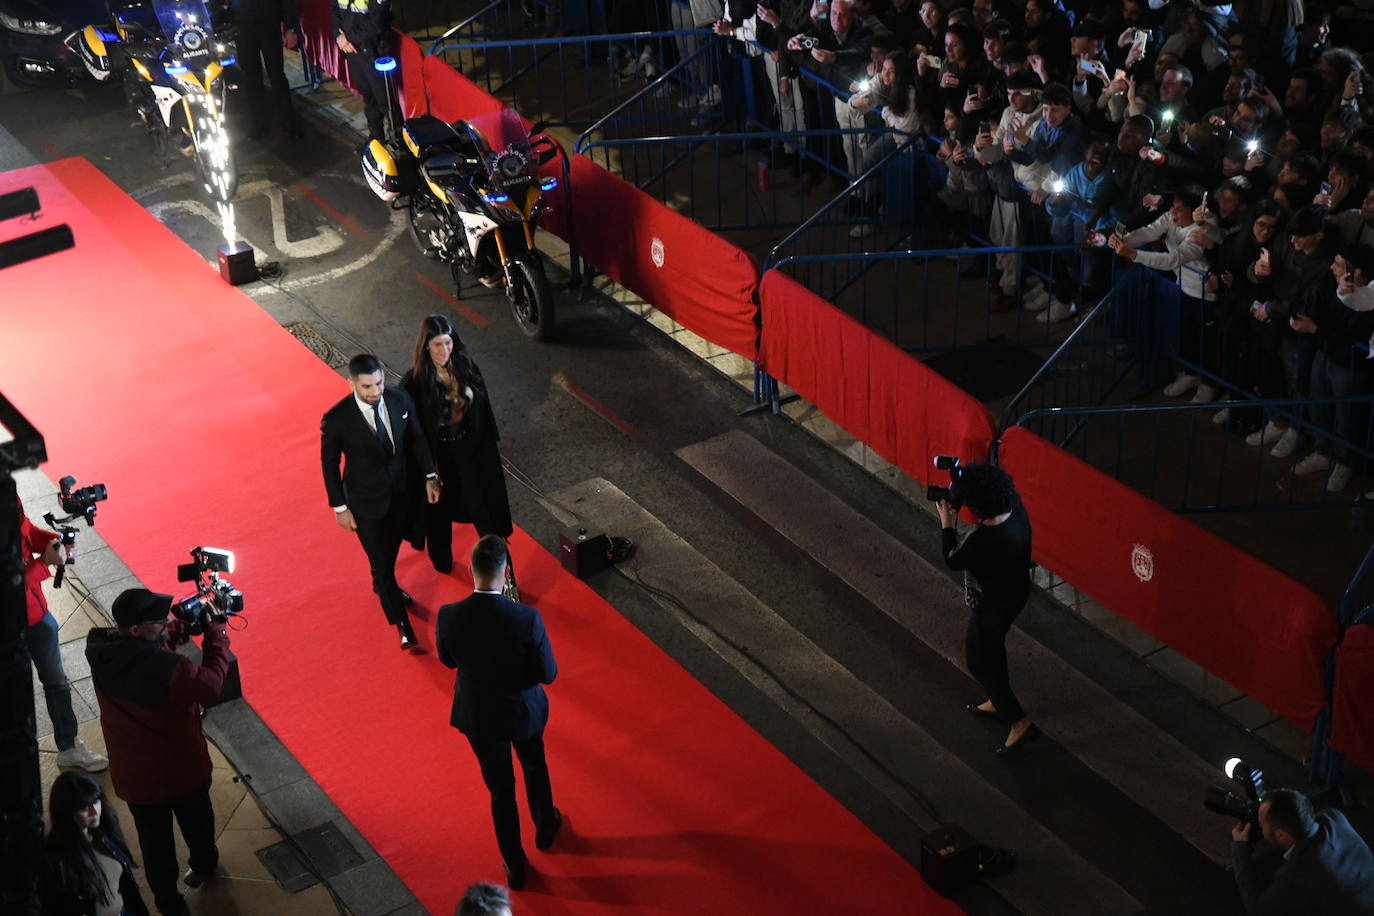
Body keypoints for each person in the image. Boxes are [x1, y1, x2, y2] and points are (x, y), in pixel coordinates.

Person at [85, 588, 231, 916]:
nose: (166, 622)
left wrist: (172, 633)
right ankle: (205, 865)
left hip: (135, 777)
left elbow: (140, 658)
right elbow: (210, 684)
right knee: (198, 824)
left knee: (154, 844)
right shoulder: (170, 669)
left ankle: (168, 903)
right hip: (180, 770)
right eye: (159, 621)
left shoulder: (99, 650)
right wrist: (217, 634)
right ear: (136, 629)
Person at [436, 535, 561, 891]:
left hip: (478, 715)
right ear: (505, 572)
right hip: (522, 712)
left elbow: (447, 660)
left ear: (473, 571)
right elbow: (547, 673)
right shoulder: (526, 618)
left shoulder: (449, 615)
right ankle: (545, 828)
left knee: (500, 791)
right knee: (534, 765)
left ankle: (514, 863)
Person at [321, 353, 440, 649]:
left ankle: (382, 585)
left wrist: (430, 475)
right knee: (382, 565)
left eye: (379, 383)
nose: (375, 391)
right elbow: (329, 464)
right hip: (365, 504)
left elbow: (417, 437)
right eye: (367, 387)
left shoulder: (399, 399)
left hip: (403, 494)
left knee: (393, 549)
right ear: (352, 384)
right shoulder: (337, 419)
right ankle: (402, 624)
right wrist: (340, 507)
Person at [401, 316, 514, 579]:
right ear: (425, 347)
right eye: (437, 345)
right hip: (438, 457)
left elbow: (484, 413)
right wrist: (428, 471)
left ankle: (504, 573)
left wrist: (488, 454)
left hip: (470, 452)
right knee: (438, 513)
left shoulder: (466, 367)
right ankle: (442, 562)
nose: (444, 351)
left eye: (448, 343)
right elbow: (413, 433)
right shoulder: (414, 383)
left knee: (483, 511)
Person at [936, 463, 1037, 756]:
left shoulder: (982, 541)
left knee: (979, 660)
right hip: (1016, 592)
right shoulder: (1016, 509)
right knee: (993, 651)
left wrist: (945, 521)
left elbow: (953, 559)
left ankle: (1019, 723)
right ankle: (998, 699)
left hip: (993, 605)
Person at [18, 496, 108, 773]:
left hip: (36, 616)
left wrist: (53, 541)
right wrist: (45, 563)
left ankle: (68, 747)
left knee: (56, 681)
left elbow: (26, 531)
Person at [1231, 789, 1374, 915]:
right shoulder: (1332, 817)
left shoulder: (1297, 874)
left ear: (1281, 835)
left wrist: (1240, 848)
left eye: (1261, 825)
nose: (1259, 825)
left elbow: (1257, 909)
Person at [40, 771, 149, 916]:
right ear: (66, 812)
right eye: (85, 808)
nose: (94, 811)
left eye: (96, 802)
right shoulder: (56, 859)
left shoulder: (104, 834)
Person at [230, 0, 302, 139]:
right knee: (252, 78)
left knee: (277, 76)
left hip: (269, 23)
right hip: (242, 27)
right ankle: (259, 124)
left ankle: (289, 124)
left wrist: (291, 29)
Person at [333, 0, 393, 143]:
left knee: (386, 102)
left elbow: (377, 22)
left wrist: (347, 38)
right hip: (353, 50)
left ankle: (398, 143)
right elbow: (334, 11)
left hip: (374, 51)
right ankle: (376, 140)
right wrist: (339, 36)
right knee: (369, 98)